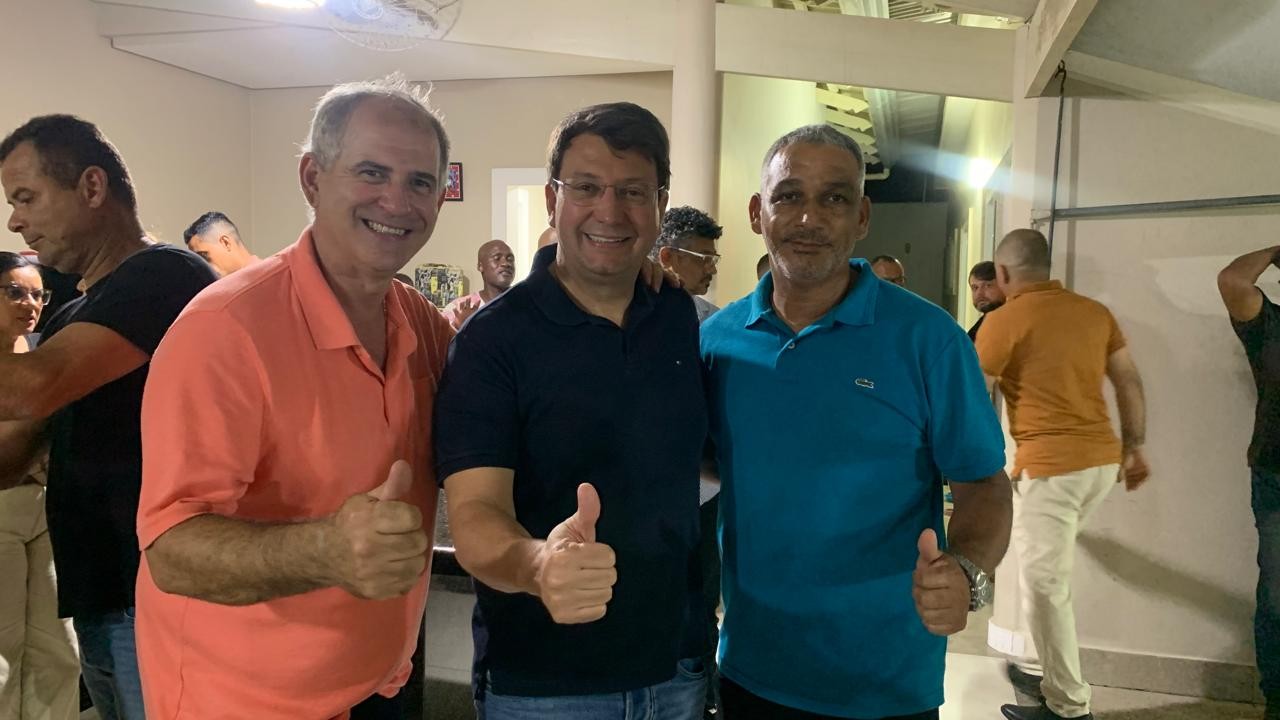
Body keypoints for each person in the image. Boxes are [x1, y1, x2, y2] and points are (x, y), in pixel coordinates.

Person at [135, 75, 455, 720]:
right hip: (243, 702)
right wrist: (326, 550)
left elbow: (503, 396)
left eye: (420, 182)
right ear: (312, 178)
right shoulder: (225, 329)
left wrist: (620, 281)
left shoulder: (417, 320)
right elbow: (171, 550)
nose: (397, 201)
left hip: (379, 683)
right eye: (372, 172)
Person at [701, 124, 1011, 719]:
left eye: (834, 198)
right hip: (752, 667)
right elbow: (712, 464)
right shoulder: (717, 341)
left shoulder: (929, 340)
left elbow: (984, 483)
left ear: (862, 216)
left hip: (885, 682)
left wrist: (967, 570)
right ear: (757, 212)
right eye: (789, 195)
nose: (809, 218)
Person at [435, 101, 708, 720]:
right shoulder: (491, 340)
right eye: (586, 187)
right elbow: (475, 515)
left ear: (660, 206)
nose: (609, 211)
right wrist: (539, 565)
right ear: (551, 198)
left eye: (633, 191)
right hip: (546, 685)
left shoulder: (675, 315)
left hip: (678, 667)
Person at [0, 114, 218, 720]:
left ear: (92, 187)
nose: (15, 220)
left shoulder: (164, 275)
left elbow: (33, 388)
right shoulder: (74, 312)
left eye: (26, 198)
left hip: (153, 593)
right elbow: (15, 450)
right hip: (102, 596)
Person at [977, 229, 1149, 720]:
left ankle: (1069, 708)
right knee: (1048, 578)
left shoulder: (1003, 321)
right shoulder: (1094, 313)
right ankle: (1052, 676)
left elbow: (974, 396)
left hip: (1053, 470)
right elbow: (1128, 380)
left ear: (1003, 273)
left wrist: (975, 466)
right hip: (1101, 464)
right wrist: (1134, 447)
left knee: (1045, 586)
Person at [0, 252, 80, 720]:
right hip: (3, 508)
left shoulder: (42, 350)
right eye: (14, 292)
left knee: (59, 645)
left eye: (37, 294)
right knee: (4, 648)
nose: (29, 304)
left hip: (46, 508)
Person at [1218, 245, 1280, 720]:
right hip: (1276, 476)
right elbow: (1232, 280)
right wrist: (1277, 249)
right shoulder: (1268, 325)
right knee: (1277, 596)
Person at [653, 205, 722, 323]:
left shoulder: (714, 320)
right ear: (667, 257)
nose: (712, 270)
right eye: (705, 258)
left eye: (713, 260)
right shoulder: (631, 314)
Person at [441, 239, 515, 330]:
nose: (506, 263)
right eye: (497, 258)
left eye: (510, 259)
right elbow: (439, 338)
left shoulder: (526, 306)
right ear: (480, 266)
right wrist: (460, 328)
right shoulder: (457, 309)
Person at [182, 211, 259, 277]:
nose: (203, 269)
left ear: (226, 243)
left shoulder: (265, 278)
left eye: (204, 257)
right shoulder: (220, 287)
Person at [967, 259, 1006, 342]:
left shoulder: (1015, 322)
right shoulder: (975, 330)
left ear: (1004, 286)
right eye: (975, 287)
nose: (979, 293)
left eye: (988, 285)